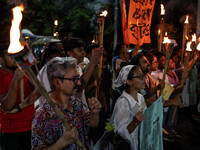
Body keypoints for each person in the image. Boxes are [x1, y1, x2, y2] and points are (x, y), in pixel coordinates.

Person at [31, 57, 102, 150]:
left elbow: (93, 123)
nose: (79, 83)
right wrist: (63, 142)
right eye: (74, 79)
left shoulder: (75, 103)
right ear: (57, 82)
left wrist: (95, 112)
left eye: (78, 78)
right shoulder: (43, 115)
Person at [0, 43, 40, 150]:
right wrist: (15, 80)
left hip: (31, 126)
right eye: (9, 55)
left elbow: (38, 91)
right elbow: (7, 105)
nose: (14, 58)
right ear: (1, 60)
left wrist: (20, 107)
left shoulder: (25, 70)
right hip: (10, 130)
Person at [112, 65, 146, 150]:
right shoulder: (123, 102)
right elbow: (121, 131)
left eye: (143, 76)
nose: (143, 79)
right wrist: (134, 122)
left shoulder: (140, 97)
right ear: (128, 81)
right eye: (139, 77)